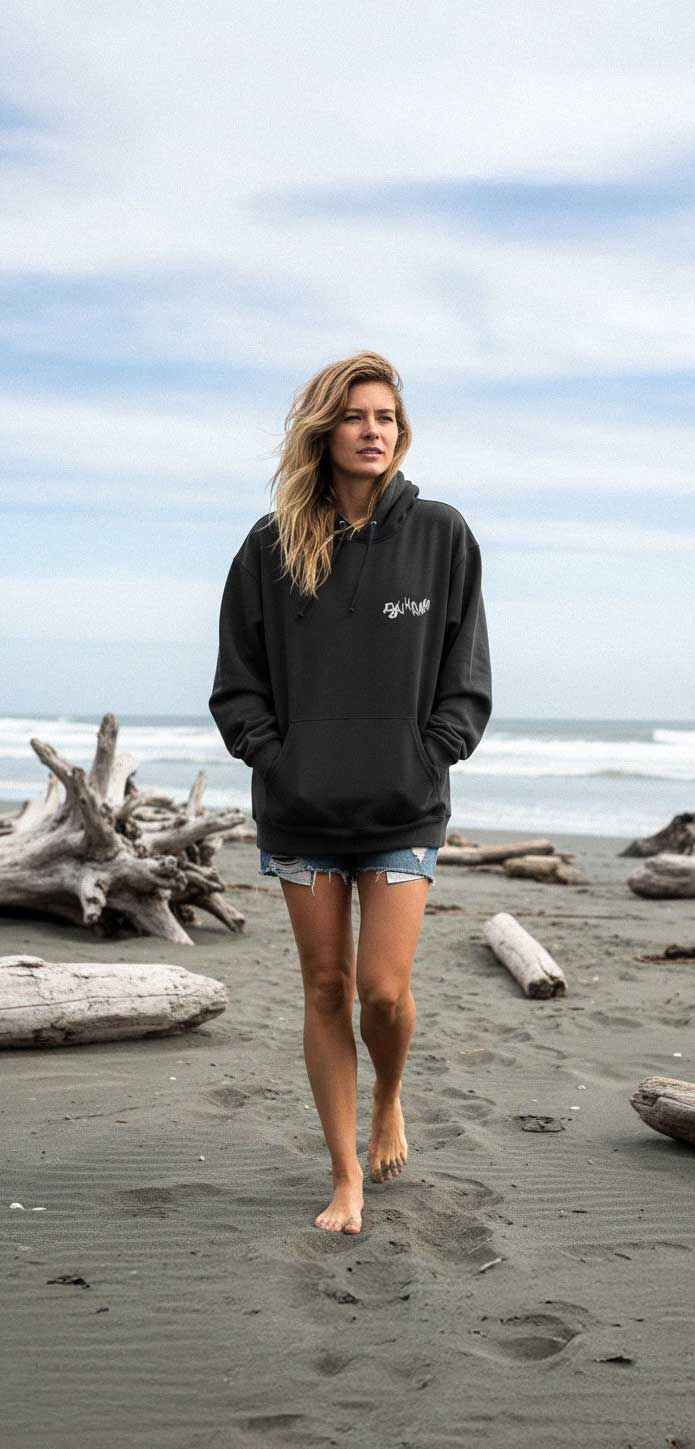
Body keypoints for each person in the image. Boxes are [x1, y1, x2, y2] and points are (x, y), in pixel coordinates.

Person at [208, 351, 492, 1235]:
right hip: (301, 811)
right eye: (356, 416)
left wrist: (429, 755)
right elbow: (237, 685)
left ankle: (389, 1096)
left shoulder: (441, 534)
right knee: (326, 987)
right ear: (324, 430)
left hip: (404, 808)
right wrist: (277, 760)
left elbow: (466, 678)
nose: (374, 431)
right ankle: (344, 1177)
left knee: (382, 991)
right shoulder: (269, 546)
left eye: (386, 418)